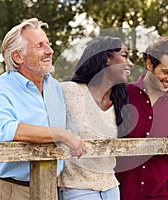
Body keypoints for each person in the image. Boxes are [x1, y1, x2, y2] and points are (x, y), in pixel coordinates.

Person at [0, 18, 86, 200]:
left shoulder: (53, 86)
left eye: (48, 44)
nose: (50, 51)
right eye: (40, 46)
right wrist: (61, 134)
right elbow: (5, 129)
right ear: (18, 57)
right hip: (14, 191)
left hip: (51, 186)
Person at [115, 36, 168, 200]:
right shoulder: (120, 95)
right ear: (149, 64)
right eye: (166, 71)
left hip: (159, 196)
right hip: (119, 194)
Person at [58, 36, 133, 200]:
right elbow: (35, 116)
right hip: (76, 188)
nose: (130, 64)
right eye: (125, 56)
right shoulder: (68, 91)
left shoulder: (121, 101)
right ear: (106, 58)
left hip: (111, 188)